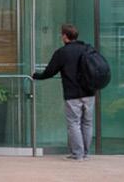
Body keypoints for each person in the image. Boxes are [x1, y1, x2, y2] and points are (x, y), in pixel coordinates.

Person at [33, 23, 95, 161]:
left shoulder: (62, 52)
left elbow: (49, 72)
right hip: (89, 92)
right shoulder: (87, 49)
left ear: (65, 36)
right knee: (87, 123)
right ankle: (86, 153)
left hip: (72, 94)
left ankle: (78, 154)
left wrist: (36, 76)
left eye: (62, 34)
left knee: (74, 123)